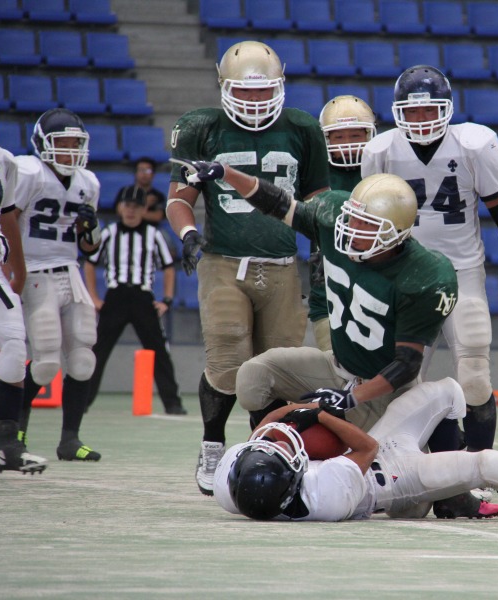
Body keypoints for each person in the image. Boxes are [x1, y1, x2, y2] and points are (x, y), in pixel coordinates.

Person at [176, 162, 494, 517]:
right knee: (252, 376)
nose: (351, 229)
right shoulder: (334, 216)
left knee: (409, 506)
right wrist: (227, 173)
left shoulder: (424, 274)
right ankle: (280, 451)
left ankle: (445, 491)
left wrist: (350, 398)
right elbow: (278, 203)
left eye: (366, 225)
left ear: (396, 234)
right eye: (353, 218)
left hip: (384, 391)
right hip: (336, 368)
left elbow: (406, 364)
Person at [165, 40, 331, 496]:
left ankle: (266, 450)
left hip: (281, 266)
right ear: (224, 88)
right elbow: (179, 198)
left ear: (280, 87)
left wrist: (322, 249)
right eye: (244, 91)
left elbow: (318, 202)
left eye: (263, 91)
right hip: (224, 261)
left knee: (277, 371)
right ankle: (212, 444)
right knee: (226, 359)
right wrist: (188, 233)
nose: (255, 101)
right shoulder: (201, 127)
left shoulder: (302, 128)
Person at [361, 65, 498, 484]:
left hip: (460, 273)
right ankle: (429, 477)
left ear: (447, 109)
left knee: (475, 375)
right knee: (407, 386)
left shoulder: (474, 145)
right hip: (404, 280)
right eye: (412, 112)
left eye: (429, 110)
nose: (421, 120)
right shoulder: (380, 151)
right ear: (398, 113)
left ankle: (477, 474)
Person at [214, 377, 498, 523]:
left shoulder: (237, 484)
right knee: (496, 465)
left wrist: (291, 414)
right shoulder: (325, 494)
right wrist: (317, 414)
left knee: (447, 391)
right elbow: (366, 446)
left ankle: (451, 500)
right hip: (392, 478)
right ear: (296, 480)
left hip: (372, 460)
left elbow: (265, 430)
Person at [12, 107, 102, 462]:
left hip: (70, 271)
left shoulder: (87, 183)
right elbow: (8, 220)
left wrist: (90, 226)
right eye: (62, 143)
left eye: (74, 144)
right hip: (35, 272)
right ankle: (15, 430)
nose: (70, 150)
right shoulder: (29, 172)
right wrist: (13, 270)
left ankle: (70, 440)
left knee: (83, 358)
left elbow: (90, 247)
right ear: (43, 144)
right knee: (46, 360)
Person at [0, 82, 47, 473]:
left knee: (15, 351)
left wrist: (18, 265)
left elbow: (7, 218)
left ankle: (7, 446)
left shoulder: (2, 159)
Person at [83, 185, 187, 415]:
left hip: (142, 297)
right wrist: (94, 297)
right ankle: (82, 401)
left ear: (144, 209)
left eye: (136, 206)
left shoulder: (154, 235)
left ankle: (172, 402)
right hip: (115, 296)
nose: (131, 210)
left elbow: (169, 267)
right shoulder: (108, 233)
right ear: (119, 208)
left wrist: (167, 299)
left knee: (159, 350)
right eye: (127, 205)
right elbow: (90, 263)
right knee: (99, 350)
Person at [310, 94, 377, 351]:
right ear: (326, 139)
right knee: (333, 362)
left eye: (355, 135)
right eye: (339, 137)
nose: (348, 144)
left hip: (377, 281)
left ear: (370, 135)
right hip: (330, 285)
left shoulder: (383, 167)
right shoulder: (314, 173)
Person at [114, 157, 166, 225]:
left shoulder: (158, 196)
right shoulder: (125, 191)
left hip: (150, 229)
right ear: (135, 173)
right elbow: (120, 211)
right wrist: (144, 203)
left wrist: (132, 213)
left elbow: (158, 216)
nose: (144, 174)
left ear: (153, 174)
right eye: (141, 170)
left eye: (148, 171)